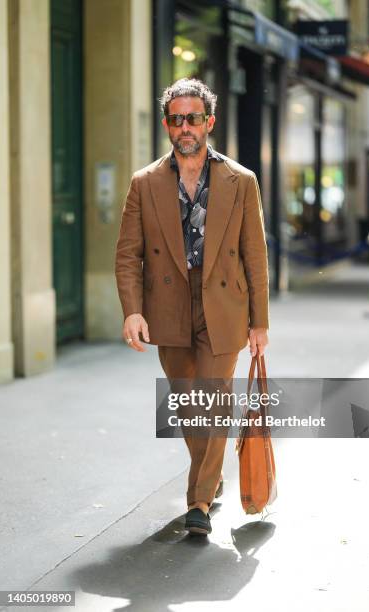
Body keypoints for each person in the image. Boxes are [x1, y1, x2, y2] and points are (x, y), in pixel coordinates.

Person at [115, 78, 269, 536]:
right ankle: (213, 473)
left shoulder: (241, 181)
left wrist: (259, 321)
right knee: (188, 403)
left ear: (209, 123)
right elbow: (128, 253)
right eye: (177, 119)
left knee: (216, 398)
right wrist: (132, 309)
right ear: (167, 125)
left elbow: (254, 255)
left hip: (223, 302)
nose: (186, 127)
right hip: (169, 303)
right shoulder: (144, 183)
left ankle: (198, 501)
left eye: (194, 118)